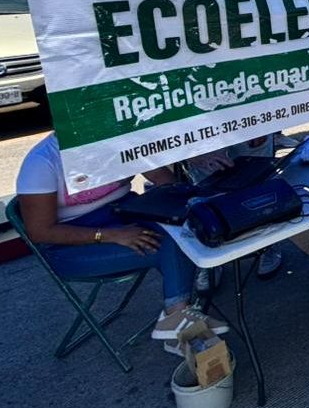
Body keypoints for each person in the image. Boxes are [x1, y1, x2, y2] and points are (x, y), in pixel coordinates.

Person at [16, 133, 228, 356]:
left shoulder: (117, 136)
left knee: (186, 231)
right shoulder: (42, 161)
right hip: (72, 242)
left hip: (125, 211)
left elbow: (160, 177)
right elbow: (40, 232)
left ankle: (177, 320)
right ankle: (177, 315)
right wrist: (109, 235)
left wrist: (188, 201)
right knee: (169, 245)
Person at [184, 135, 285, 293]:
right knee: (209, 198)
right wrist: (191, 154)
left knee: (259, 187)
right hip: (197, 129)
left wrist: (263, 127)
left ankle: (268, 244)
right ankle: (212, 259)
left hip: (243, 120)